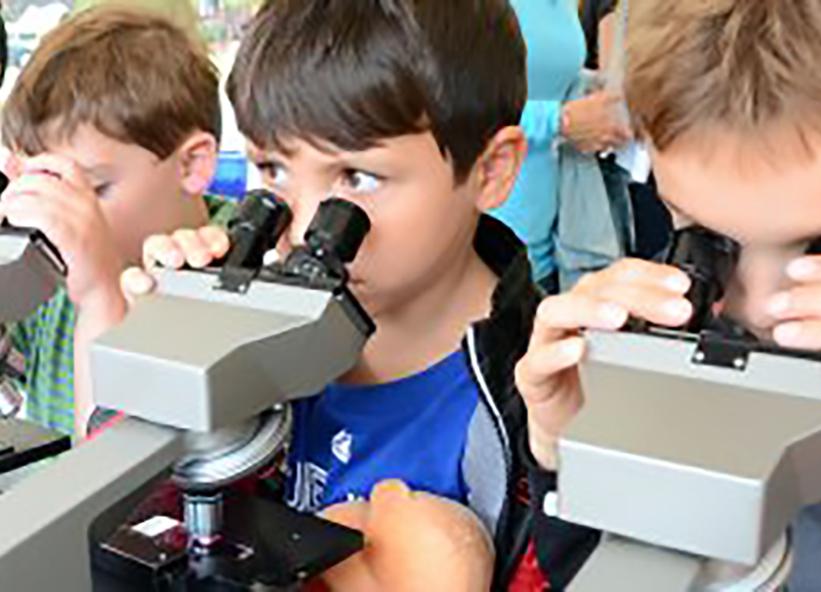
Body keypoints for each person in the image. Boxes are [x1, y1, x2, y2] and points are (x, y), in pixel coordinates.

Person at [115, 0, 562, 587]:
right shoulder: (259, 341)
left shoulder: (544, 403)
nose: (302, 230)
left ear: (491, 170)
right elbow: (129, 533)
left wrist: (556, 466)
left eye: (358, 178)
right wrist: (170, 363)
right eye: (273, 171)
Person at [516, 0, 821, 589]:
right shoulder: (674, 323)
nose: (759, 307)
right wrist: (576, 455)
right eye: (710, 243)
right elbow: (592, 570)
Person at [0, 7, 227, 437]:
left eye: (91, 188)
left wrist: (101, 296)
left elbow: (121, 473)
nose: (65, 219)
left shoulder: (236, 269)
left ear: (191, 165)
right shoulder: (52, 271)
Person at [494, 0, 631, 292]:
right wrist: (558, 120)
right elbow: (443, 105)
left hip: (548, 237)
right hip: (485, 244)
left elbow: (548, 73)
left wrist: (596, 87)